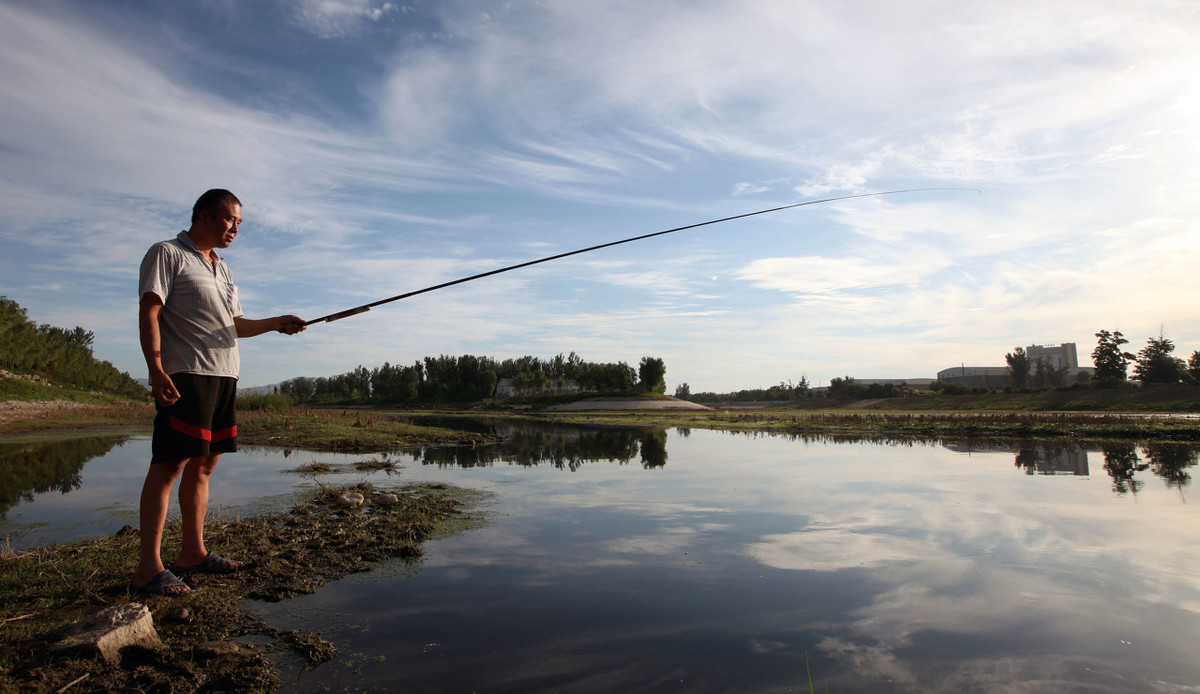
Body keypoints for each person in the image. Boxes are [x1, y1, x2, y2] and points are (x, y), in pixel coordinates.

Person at [133, 189, 305, 596]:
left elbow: (235, 324)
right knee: (169, 465)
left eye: (240, 223)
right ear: (205, 216)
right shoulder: (167, 253)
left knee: (204, 466)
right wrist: (155, 369)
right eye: (231, 220)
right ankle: (147, 569)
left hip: (225, 375)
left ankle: (192, 553)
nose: (236, 228)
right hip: (186, 375)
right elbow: (149, 312)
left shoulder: (223, 268)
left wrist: (277, 322)